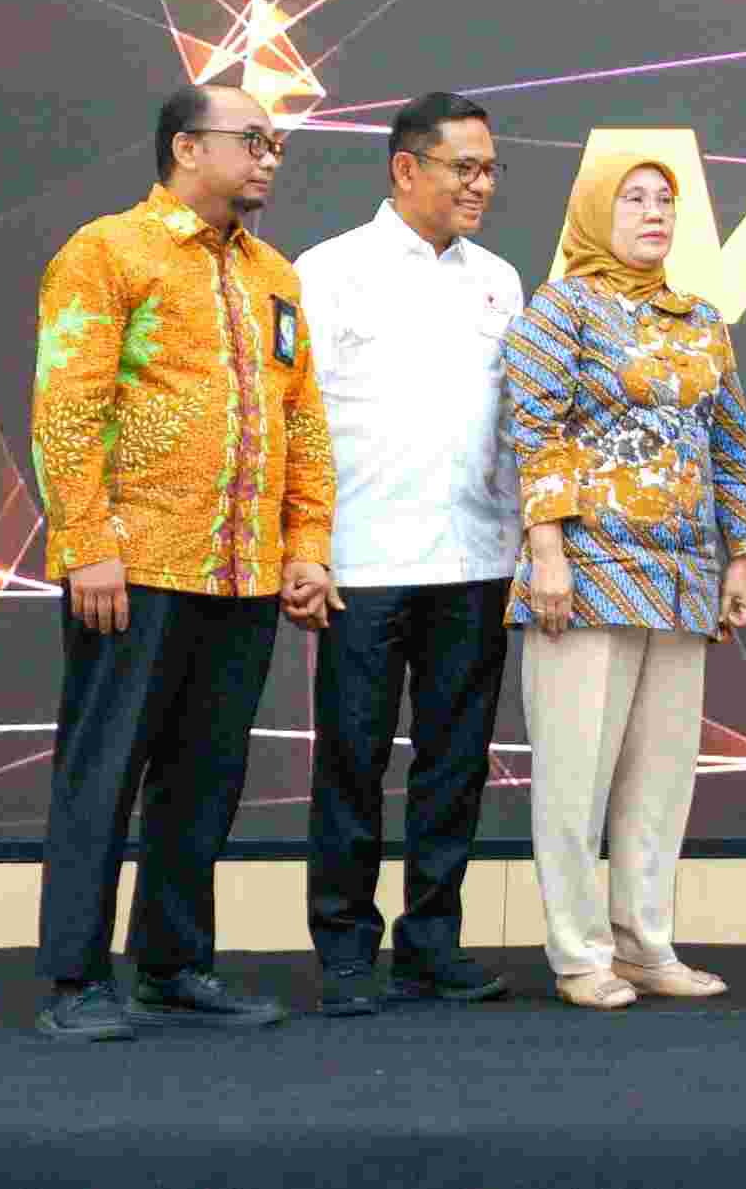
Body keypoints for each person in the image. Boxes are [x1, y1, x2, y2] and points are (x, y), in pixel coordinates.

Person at [28, 85, 336, 1043]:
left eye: (275, 143)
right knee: (103, 771)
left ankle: (173, 965)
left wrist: (307, 547)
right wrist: (88, 545)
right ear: (185, 148)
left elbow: (302, 421)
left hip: (243, 572)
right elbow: (67, 408)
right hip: (133, 569)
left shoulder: (275, 274)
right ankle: (76, 978)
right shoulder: (108, 251)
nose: (270, 157)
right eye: (252, 140)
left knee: (205, 777)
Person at [504, 150, 746, 1011]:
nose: (654, 212)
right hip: (585, 573)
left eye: (666, 199)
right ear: (594, 211)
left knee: (660, 779)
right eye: (633, 198)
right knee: (574, 777)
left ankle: (645, 943)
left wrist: (741, 555)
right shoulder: (560, 309)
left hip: (682, 580)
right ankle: (579, 954)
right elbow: (535, 430)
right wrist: (547, 550)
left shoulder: (701, 320)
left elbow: (730, 441)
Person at [294, 91, 523, 1015]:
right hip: (361, 560)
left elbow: (515, 427)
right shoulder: (328, 270)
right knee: (351, 761)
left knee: (455, 762)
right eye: (464, 167)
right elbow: (297, 420)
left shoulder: (500, 279)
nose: (481, 185)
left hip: (475, 558)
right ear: (404, 168)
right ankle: (346, 949)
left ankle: (432, 942)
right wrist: (305, 548)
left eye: (490, 169)